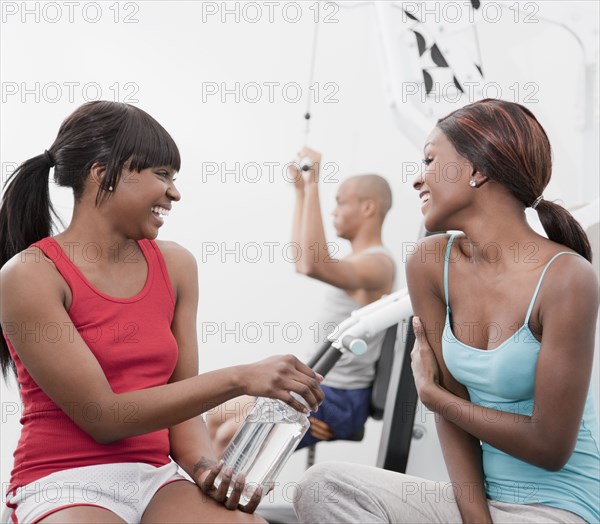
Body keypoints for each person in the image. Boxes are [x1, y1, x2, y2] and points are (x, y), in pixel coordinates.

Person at [0, 101, 324, 524]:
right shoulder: (29, 274)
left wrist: (206, 469)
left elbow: (181, 400)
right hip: (65, 480)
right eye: (162, 175)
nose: (174, 192)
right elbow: (103, 417)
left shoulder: (176, 266)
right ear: (103, 173)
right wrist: (241, 377)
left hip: (155, 478)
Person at [293, 99, 599, 524]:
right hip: (478, 506)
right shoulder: (430, 262)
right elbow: (454, 411)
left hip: (557, 508)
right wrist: (476, 520)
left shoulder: (568, 277)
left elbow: (549, 446)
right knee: (323, 486)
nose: (417, 178)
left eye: (430, 160)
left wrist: (434, 398)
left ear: (477, 171)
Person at [207, 147, 396, 456]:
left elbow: (313, 263)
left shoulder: (379, 265)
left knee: (231, 437)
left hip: (340, 399)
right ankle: (218, 500)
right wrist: (301, 192)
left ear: (368, 208)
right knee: (217, 416)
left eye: (340, 203)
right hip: (319, 385)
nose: (333, 212)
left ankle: (224, 502)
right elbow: (302, 261)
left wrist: (314, 184)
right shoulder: (359, 261)